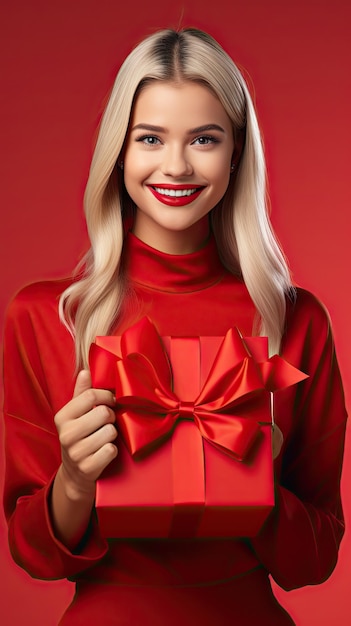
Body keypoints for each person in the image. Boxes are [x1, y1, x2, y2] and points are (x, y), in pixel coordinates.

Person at [2, 28, 347, 626]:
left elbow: (315, 560)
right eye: (150, 138)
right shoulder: (45, 318)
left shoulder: (295, 320)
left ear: (236, 150)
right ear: (119, 150)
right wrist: (76, 481)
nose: (176, 165)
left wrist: (260, 490)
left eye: (205, 139)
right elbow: (32, 553)